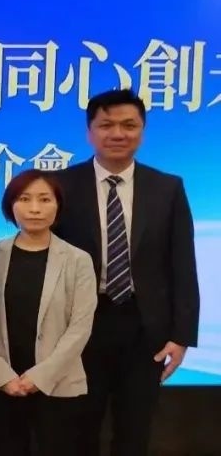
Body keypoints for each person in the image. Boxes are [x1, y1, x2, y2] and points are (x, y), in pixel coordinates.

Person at [52, 89, 199, 456]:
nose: (118, 133)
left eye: (129, 125)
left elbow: (182, 263)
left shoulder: (167, 188)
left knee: (134, 430)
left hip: (145, 329)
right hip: (78, 326)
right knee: (77, 429)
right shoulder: (60, 186)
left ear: (142, 131)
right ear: (90, 132)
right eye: (106, 125)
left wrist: (182, 335)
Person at [0, 169, 96, 456]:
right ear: (10, 206)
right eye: (24, 199)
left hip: (59, 384)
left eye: (45, 199)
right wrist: (2, 374)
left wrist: (40, 377)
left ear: (58, 206)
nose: (35, 208)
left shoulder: (78, 260)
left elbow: (80, 327)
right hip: (1, 383)